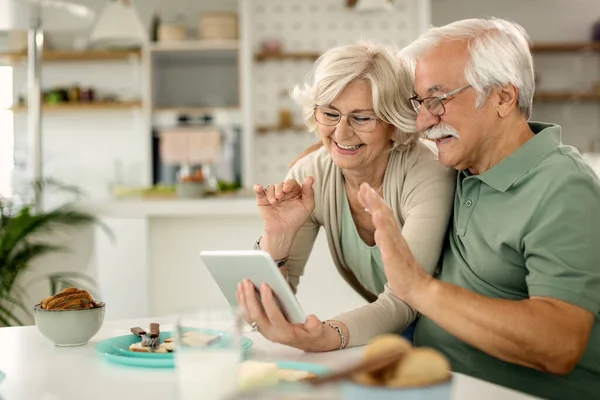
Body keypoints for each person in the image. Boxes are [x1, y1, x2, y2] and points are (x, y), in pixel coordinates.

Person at [349, 18, 600, 400]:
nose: (423, 121)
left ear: (503, 97)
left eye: (439, 99)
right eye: (420, 102)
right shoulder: (453, 169)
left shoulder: (564, 187)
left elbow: (559, 345)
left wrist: (420, 288)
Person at [236, 40, 456, 352]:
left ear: (393, 123)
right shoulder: (310, 174)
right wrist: (277, 238)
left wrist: (329, 335)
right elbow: (263, 314)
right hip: (391, 334)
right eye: (330, 113)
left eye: (362, 118)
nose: (341, 133)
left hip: (455, 336)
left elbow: (407, 299)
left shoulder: (426, 172)